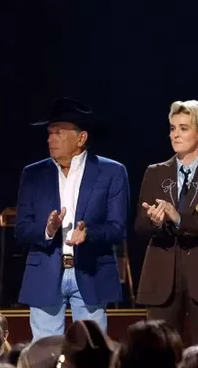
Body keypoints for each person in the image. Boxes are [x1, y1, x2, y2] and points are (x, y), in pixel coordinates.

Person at [15, 97, 129, 339]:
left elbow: (118, 228)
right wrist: (47, 230)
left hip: (91, 272)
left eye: (59, 133)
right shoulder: (33, 174)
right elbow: (22, 228)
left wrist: (89, 233)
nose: (50, 139)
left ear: (81, 138)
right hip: (45, 273)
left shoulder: (112, 172)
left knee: (92, 353)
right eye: (49, 133)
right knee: (43, 353)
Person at [135, 100, 198, 345]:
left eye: (183, 128)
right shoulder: (155, 172)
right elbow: (140, 225)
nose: (175, 134)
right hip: (161, 277)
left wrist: (179, 219)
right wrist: (157, 222)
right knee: (160, 355)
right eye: (172, 128)